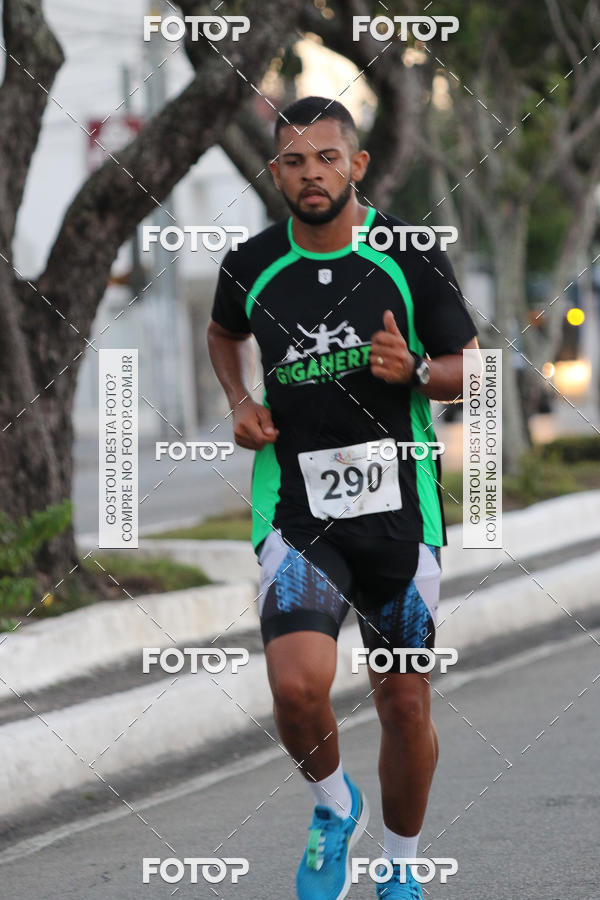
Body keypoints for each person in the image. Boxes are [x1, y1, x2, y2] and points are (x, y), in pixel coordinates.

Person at [207, 96, 479, 900]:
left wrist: (418, 374)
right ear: (275, 172)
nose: (311, 174)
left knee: (402, 703)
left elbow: (472, 367)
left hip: (400, 513)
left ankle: (400, 863)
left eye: (327, 158)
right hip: (297, 509)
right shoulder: (250, 264)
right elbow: (225, 334)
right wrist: (238, 402)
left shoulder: (409, 252)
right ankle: (334, 808)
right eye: (293, 161)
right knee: (294, 687)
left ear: (356, 164)